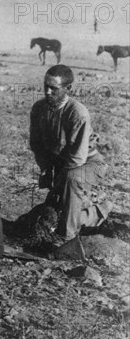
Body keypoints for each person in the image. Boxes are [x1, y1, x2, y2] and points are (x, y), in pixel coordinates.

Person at [29, 65, 111, 241]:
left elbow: (77, 159)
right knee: (49, 215)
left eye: (54, 88)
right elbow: (36, 144)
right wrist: (45, 169)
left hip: (89, 164)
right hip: (63, 165)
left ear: (68, 89)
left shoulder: (77, 113)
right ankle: (85, 215)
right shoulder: (38, 109)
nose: (48, 92)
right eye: (45, 86)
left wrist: (59, 183)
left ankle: (67, 238)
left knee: (72, 180)